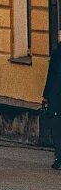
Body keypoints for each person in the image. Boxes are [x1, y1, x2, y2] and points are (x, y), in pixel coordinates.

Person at [42, 40, 61, 170]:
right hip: (57, 96)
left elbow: (51, 76)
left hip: (56, 96)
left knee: (57, 128)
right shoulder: (57, 54)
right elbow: (51, 75)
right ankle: (58, 155)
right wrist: (46, 95)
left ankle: (58, 156)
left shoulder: (57, 53)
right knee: (57, 128)